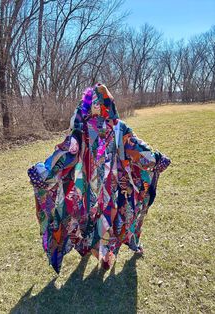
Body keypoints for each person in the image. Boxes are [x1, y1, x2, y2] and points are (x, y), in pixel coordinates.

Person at [28, 83, 171, 273]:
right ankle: (93, 248)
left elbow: (135, 146)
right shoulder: (82, 129)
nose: (95, 105)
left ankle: (105, 252)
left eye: (99, 101)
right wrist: (46, 171)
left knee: (111, 215)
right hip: (86, 183)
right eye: (91, 102)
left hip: (113, 184)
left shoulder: (119, 128)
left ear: (107, 103)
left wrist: (154, 159)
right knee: (84, 215)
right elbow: (67, 152)